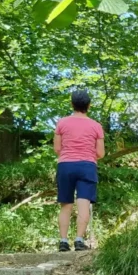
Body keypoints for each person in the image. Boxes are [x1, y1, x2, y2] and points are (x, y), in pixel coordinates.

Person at [53, 90, 105, 252]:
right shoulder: (96, 126)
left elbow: (57, 149)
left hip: (66, 166)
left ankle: (63, 241)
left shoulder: (62, 123)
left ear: (72, 104)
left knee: (66, 204)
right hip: (87, 167)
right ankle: (79, 241)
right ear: (89, 106)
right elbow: (101, 153)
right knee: (83, 203)